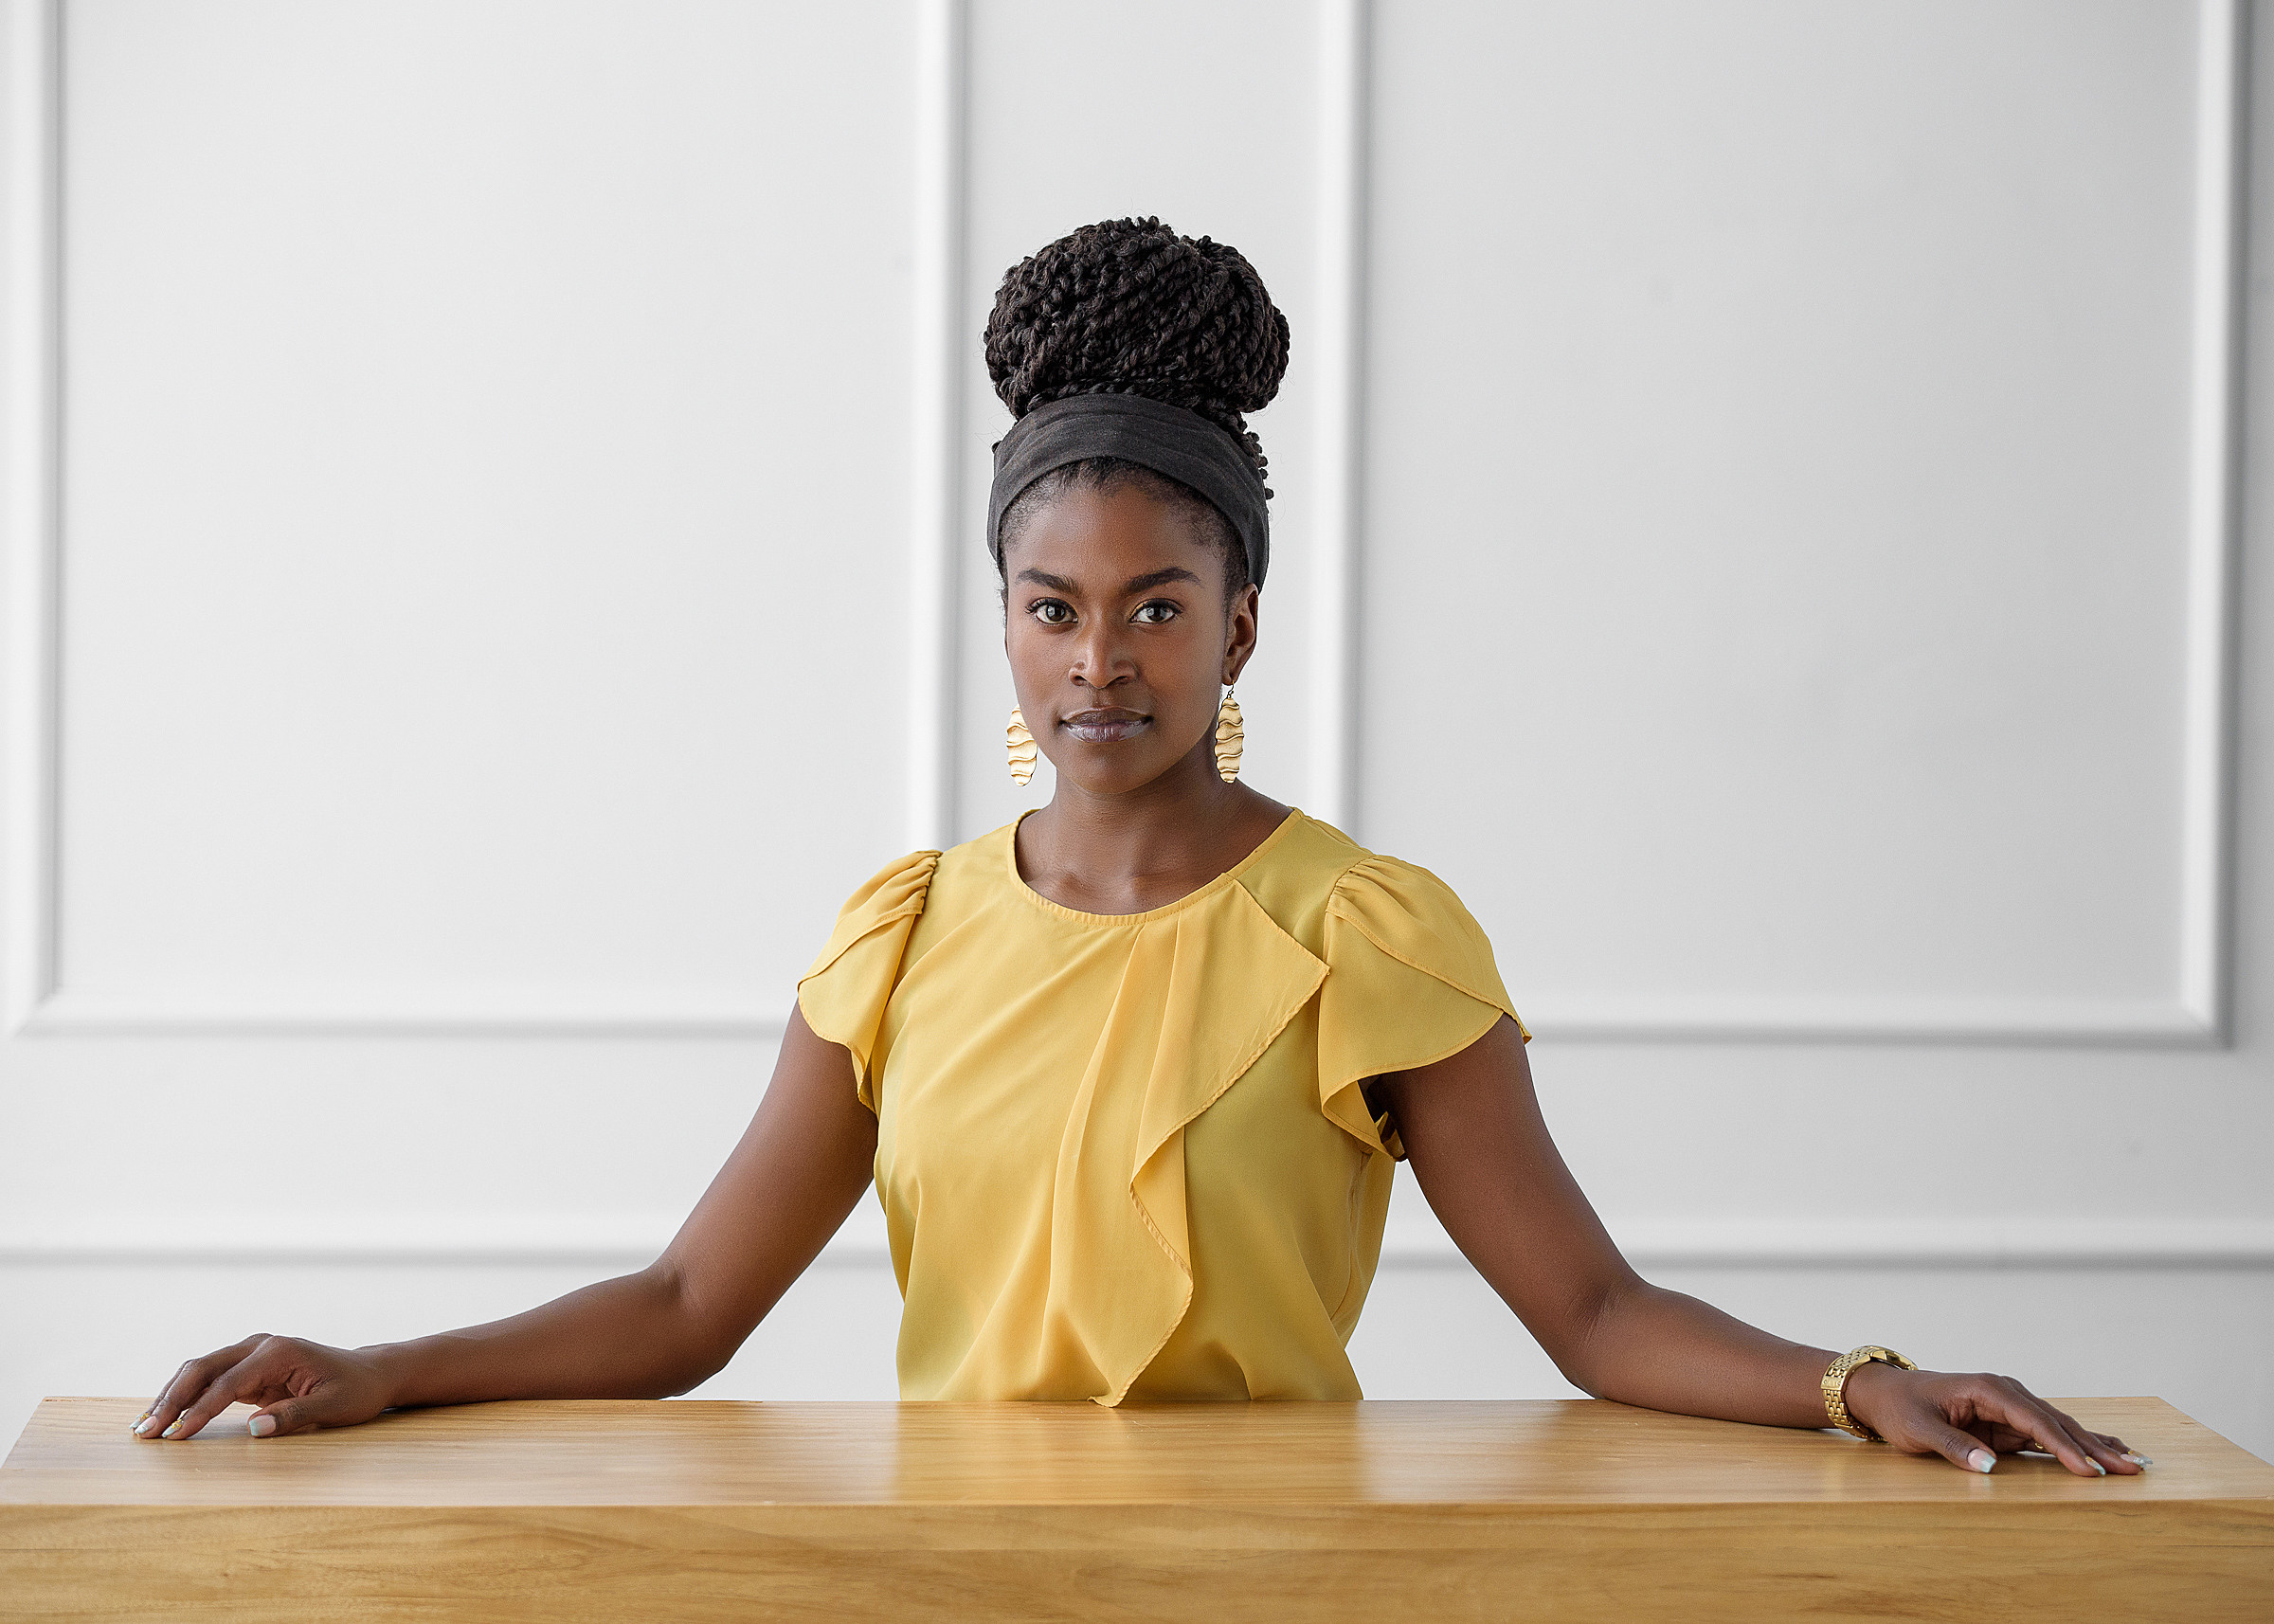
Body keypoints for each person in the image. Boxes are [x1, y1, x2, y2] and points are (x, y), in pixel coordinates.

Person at [133, 217, 2145, 1478]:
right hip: (946, 1585)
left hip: (1272, 1582)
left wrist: (1856, 1376)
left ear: (1240, 617)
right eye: (1054, 602)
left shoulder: (1363, 929)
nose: (1102, 658)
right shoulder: (901, 934)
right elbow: (680, 1307)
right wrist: (378, 1367)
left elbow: (1597, 1316)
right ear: (1002, 612)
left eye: (1159, 602)